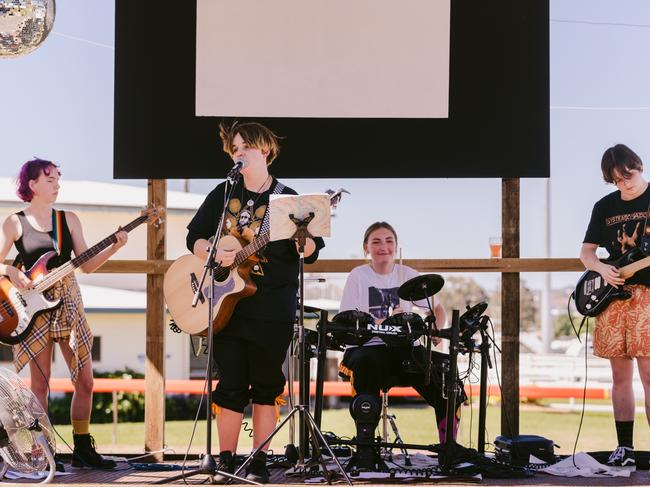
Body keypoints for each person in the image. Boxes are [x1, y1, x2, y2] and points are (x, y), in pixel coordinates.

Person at [186, 121, 324, 483]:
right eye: (235, 149)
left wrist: (303, 238)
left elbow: (309, 253)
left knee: (266, 384)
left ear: (265, 149)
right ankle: (227, 460)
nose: (240, 153)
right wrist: (213, 252)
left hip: (272, 306)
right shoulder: (222, 193)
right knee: (229, 383)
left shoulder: (287, 197)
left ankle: (259, 460)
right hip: (226, 306)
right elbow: (194, 238)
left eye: (246, 147)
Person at [0, 158, 128, 470]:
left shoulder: (68, 219)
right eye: (49, 180)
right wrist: (8, 271)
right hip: (33, 308)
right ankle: (43, 454)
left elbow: (86, 264)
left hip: (69, 302)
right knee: (40, 385)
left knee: (85, 381)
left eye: (58, 179)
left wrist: (114, 247)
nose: (57, 184)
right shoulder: (15, 222)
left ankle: (83, 447)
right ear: (31, 185)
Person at [338, 221, 464, 469]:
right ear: (366, 248)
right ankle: (366, 449)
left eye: (389, 241)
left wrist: (436, 328)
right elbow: (347, 319)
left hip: (404, 350)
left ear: (396, 246)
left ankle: (448, 448)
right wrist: (385, 322)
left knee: (445, 370)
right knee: (366, 363)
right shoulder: (358, 276)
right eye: (376, 241)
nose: (383, 246)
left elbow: (436, 308)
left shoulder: (408, 275)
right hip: (368, 347)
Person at [580, 144, 650, 470]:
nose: (625, 184)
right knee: (619, 375)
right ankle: (625, 447)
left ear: (638, 165)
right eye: (617, 180)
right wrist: (600, 268)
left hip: (648, 296)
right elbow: (586, 253)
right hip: (611, 297)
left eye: (629, 175)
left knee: (649, 374)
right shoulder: (604, 206)